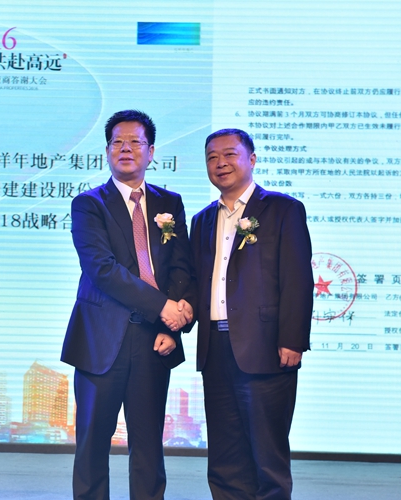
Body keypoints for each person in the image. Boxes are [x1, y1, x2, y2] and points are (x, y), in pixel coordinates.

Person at [61, 109, 195, 500]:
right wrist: (164, 309)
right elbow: (102, 270)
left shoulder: (170, 203)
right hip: (101, 340)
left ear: (151, 152)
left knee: (149, 446)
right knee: (92, 446)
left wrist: (171, 325)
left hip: (153, 340)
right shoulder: (89, 204)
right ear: (106, 151)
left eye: (135, 142)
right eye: (117, 142)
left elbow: (182, 267)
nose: (125, 148)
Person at [190, 129, 314, 500]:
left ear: (252, 159)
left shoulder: (282, 209)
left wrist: (292, 339)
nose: (220, 163)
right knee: (225, 455)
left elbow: (297, 279)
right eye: (212, 157)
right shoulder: (201, 220)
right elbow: (196, 281)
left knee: (266, 454)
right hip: (215, 349)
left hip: (265, 348)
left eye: (230, 154)